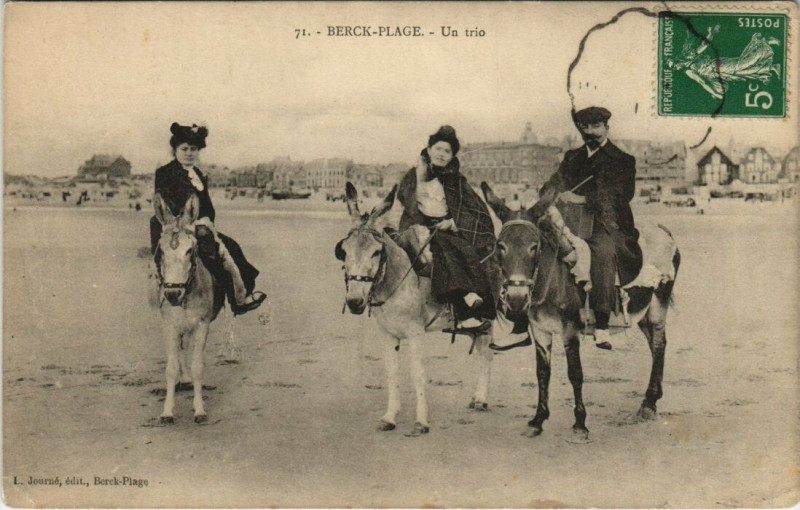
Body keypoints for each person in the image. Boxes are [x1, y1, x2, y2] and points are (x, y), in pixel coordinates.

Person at [533, 107, 643, 349]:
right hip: (572, 219)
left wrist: (584, 199)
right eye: (585, 127)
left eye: (596, 126)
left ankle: (601, 323)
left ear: (606, 128)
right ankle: (530, 311)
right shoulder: (572, 157)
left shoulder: (623, 160)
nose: (590, 131)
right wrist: (550, 193)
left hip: (608, 223)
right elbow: (556, 180)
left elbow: (623, 194)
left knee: (602, 252)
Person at [149, 122, 266, 315]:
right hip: (175, 229)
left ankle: (238, 297)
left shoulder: (198, 174)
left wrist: (206, 221)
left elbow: (207, 206)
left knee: (232, 247)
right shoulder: (166, 172)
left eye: (193, 149)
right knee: (217, 255)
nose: (189, 153)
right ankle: (232, 298)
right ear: (175, 151)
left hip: (200, 225)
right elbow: (166, 205)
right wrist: (192, 223)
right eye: (184, 149)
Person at [390, 125, 496, 331]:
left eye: (447, 151)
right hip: (418, 227)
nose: (442, 154)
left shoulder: (456, 180)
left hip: (446, 227)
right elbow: (402, 203)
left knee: (464, 252)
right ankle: (465, 298)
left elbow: (477, 209)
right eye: (438, 149)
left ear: (451, 156)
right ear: (429, 149)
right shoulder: (413, 176)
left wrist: (454, 222)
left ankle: (469, 309)